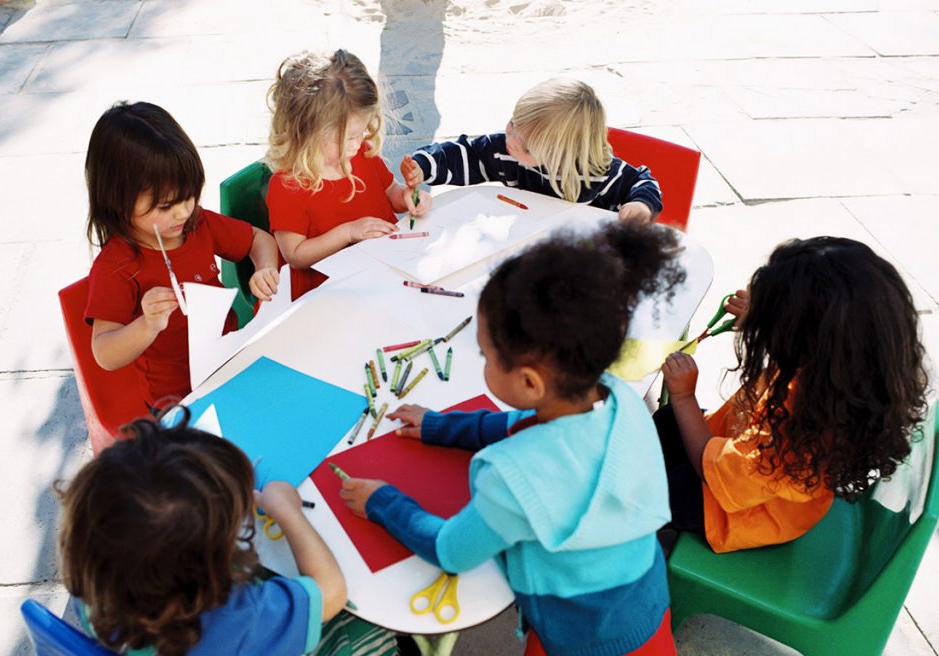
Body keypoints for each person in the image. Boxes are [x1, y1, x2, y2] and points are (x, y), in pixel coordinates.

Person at [340, 223, 686, 656]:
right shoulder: (615, 397)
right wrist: (440, 426)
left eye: (484, 355)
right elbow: (520, 426)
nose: (480, 363)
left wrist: (382, 501)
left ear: (528, 382)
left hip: (580, 638)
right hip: (640, 600)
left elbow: (452, 549)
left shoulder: (513, 477)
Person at [56, 414, 396, 656]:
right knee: (372, 628)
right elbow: (331, 593)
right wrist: (287, 512)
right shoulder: (232, 621)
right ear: (204, 572)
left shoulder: (96, 574)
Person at [658, 236, 930, 553]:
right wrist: (764, 319)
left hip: (737, 510)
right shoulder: (841, 373)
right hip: (753, 473)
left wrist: (683, 397)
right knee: (664, 424)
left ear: (799, 336)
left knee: (649, 493)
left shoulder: (794, 423)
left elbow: (710, 474)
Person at [84, 101, 281, 409]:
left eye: (189, 196)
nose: (183, 212)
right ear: (118, 201)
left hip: (230, 360)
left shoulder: (197, 223)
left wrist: (265, 269)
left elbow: (259, 239)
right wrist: (147, 324)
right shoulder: (116, 266)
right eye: (166, 206)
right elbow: (104, 353)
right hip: (176, 399)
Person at [265, 49, 430, 300]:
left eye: (362, 132)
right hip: (329, 292)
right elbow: (296, 255)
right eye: (349, 137)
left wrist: (407, 197)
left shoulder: (361, 153)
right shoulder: (288, 185)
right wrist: (347, 232)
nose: (358, 143)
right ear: (307, 131)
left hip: (382, 268)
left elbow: (388, 192)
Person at [400, 78, 661, 223]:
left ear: (561, 156)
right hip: (528, 249)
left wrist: (640, 205)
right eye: (513, 124)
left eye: (526, 146)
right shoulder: (507, 151)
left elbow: (642, 182)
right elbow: (467, 154)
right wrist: (425, 165)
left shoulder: (597, 172)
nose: (510, 140)